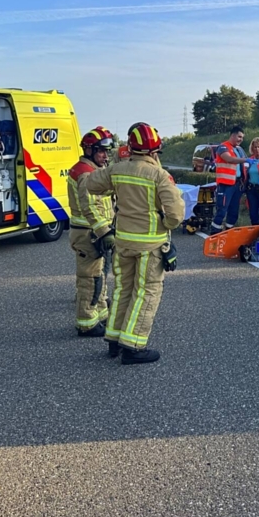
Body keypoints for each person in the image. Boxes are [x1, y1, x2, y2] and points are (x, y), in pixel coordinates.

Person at [85, 122, 185, 364]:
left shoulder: (117, 170)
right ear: (154, 152)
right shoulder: (159, 175)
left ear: (131, 147)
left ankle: (114, 340)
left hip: (123, 242)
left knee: (123, 290)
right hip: (150, 245)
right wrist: (164, 223)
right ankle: (133, 346)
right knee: (147, 292)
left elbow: (90, 183)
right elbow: (176, 216)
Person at [67, 127, 115, 336]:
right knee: (89, 280)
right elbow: (89, 206)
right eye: (101, 151)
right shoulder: (85, 173)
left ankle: (100, 314)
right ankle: (86, 324)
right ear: (89, 150)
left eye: (107, 151)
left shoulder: (92, 170)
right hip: (89, 234)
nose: (105, 155)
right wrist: (104, 231)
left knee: (99, 277)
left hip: (93, 232)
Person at [211, 126, 249, 233]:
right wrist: (247, 160)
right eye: (239, 137)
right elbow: (230, 159)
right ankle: (214, 234)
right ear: (232, 135)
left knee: (233, 212)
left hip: (237, 185)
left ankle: (229, 232)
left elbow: (245, 164)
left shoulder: (239, 149)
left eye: (242, 138)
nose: (241, 139)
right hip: (225, 185)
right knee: (221, 210)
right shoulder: (223, 147)